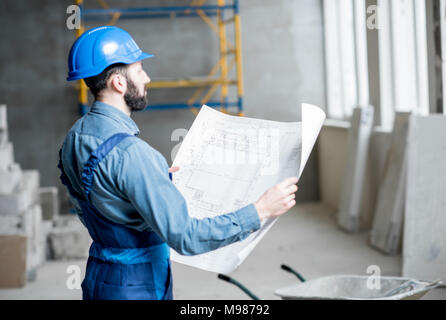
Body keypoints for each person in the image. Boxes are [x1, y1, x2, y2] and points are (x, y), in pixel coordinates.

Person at [59, 26, 298, 300]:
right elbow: (186, 237)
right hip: (137, 286)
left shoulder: (75, 137)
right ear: (118, 82)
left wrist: (151, 179)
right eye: (139, 70)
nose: (147, 77)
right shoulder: (134, 155)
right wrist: (260, 210)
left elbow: (103, 192)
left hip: (99, 279)